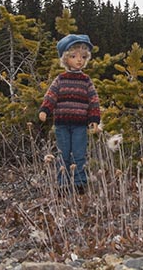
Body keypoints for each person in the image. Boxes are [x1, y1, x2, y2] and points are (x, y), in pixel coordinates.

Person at [39, 34, 101, 192]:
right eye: (74, 56)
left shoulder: (86, 81)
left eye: (82, 56)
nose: (79, 60)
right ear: (66, 59)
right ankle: (63, 183)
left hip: (80, 124)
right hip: (61, 124)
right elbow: (51, 95)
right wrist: (45, 109)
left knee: (79, 154)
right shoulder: (60, 79)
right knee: (63, 154)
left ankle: (80, 183)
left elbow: (93, 100)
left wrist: (94, 119)